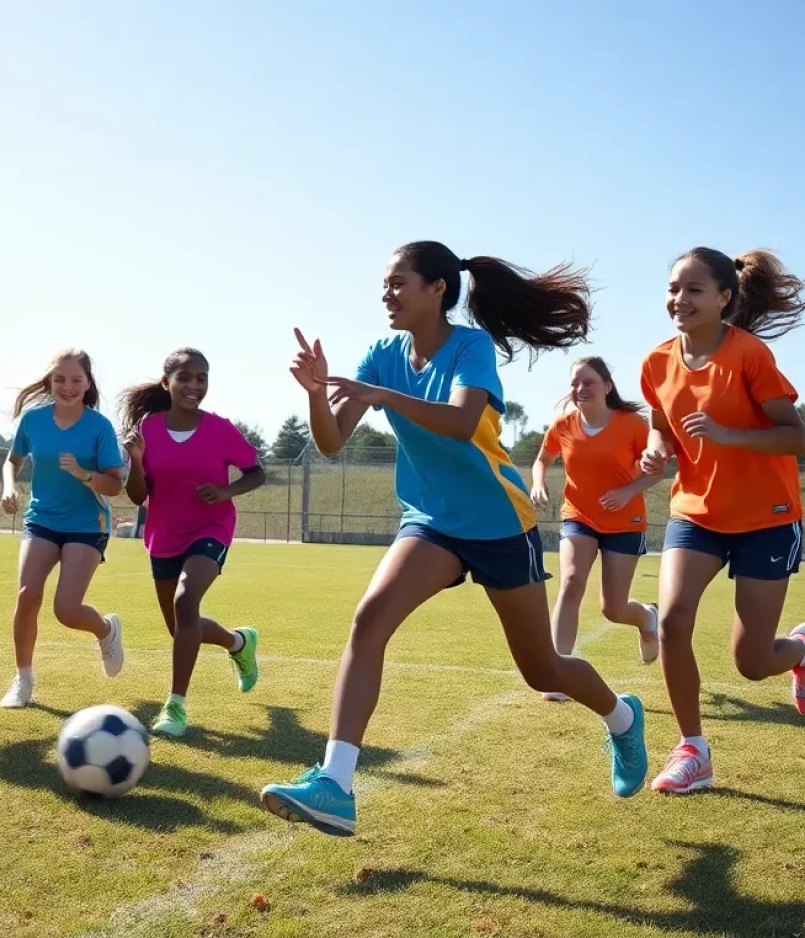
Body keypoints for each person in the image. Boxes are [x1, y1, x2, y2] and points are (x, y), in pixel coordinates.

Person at [260, 242, 648, 837]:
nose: (386, 294)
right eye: (384, 285)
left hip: (498, 523)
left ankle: (622, 719)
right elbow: (334, 440)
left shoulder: (471, 346)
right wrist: (316, 393)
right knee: (370, 620)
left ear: (437, 289)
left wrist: (382, 396)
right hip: (432, 522)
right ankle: (336, 783)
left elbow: (464, 421)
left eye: (397, 283)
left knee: (542, 669)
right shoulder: (382, 353)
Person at [639, 247, 805, 794]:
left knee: (752, 663)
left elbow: (796, 434)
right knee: (672, 620)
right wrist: (655, 450)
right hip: (697, 512)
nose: (679, 300)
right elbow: (663, 427)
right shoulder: (656, 363)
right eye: (672, 289)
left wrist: (730, 435)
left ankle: (800, 649)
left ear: (724, 297)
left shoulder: (749, 355)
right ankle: (694, 750)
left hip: (767, 516)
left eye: (693, 290)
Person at [120, 347, 266, 738]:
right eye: (185, 377)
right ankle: (238, 642)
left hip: (211, 527)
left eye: (201, 378)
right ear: (167, 381)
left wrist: (226, 491)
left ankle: (175, 707)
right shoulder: (147, 430)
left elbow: (256, 473)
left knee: (187, 602)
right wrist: (135, 459)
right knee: (182, 627)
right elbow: (137, 497)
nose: (194, 385)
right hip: (164, 536)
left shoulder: (220, 429)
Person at [0, 350, 125, 709]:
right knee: (26, 595)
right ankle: (23, 680)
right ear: (49, 382)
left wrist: (84, 475)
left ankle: (106, 629)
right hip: (42, 519)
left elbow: (115, 486)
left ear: (88, 384)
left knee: (67, 611)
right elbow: (13, 460)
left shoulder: (99, 426)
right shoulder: (33, 420)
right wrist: (10, 487)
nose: (67, 387)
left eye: (75, 380)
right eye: (59, 380)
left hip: (87, 524)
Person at [531, 356, 661, 699]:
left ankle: (647, 618)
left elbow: (657, 468)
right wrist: (539, 483)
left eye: (587, 382)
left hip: (625, 520)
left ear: (607, 386)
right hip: (579, 515)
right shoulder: (562, 425)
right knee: (571, 582)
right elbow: (542, 459)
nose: (579, 389)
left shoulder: (633, 424)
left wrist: (627, 491)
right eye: (575, 383)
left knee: (613, 609)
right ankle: (559, 673)